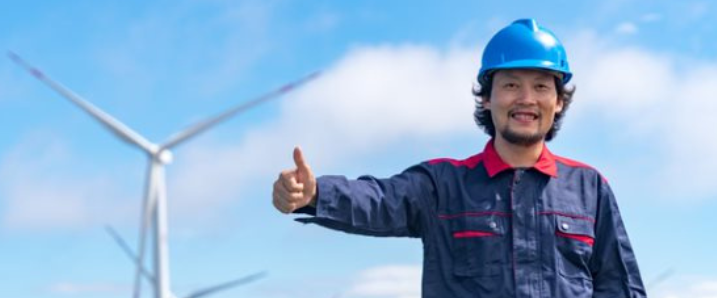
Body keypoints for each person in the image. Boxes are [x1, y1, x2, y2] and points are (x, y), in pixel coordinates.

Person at [272, 18, 645, 297]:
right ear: (487, 96)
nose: (526, 98)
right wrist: (314, 194)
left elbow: (621, 286)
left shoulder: (589, 188)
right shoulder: (442, 185)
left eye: (541, 86)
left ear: (559, 100)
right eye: (511, 84)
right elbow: (379, 200)